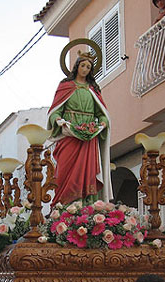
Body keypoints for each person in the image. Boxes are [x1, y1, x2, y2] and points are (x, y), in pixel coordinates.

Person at [48, 50, 112, 206]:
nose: (85, 69)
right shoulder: (65, 86)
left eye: (88, 67)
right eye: (82, 65)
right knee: (64, 170)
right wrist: (57, 119)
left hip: (88, 137)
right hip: (69, 135)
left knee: (88, 172)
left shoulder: (93, 90)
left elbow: (101, 113)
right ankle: (64, 206)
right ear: (76, 66)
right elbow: (55, 110)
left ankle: (87, 205)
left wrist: (103, 123)